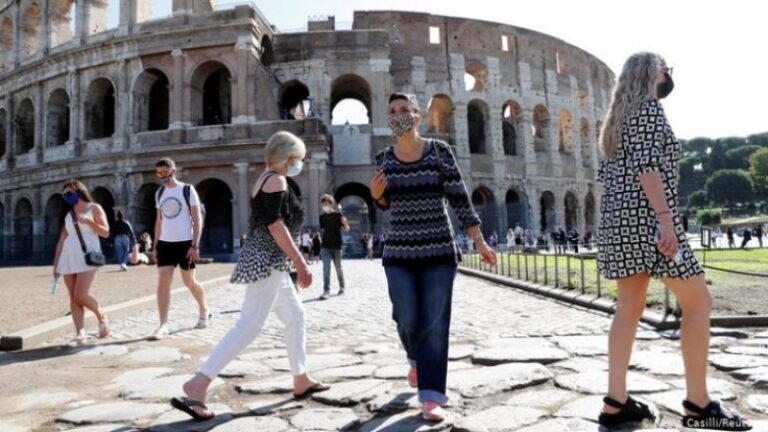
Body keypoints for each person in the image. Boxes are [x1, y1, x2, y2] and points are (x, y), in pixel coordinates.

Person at [596, 52, 751, 430]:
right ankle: (698, 404)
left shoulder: (615, 121)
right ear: (651, 71)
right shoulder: (648, 109)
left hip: (618, 223)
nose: (669, 74)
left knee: (628, 308)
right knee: (699, 301)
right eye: (666, 67)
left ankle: (615, 401)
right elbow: (649, 168)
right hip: (651, 220)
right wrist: (666, 220)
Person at [172, 131, 329, 421]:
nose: (300, 164)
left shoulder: (265, 177)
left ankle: (301, 378)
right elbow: (275, 224)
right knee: (249, 326)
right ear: (289, 156)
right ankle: (198, 384)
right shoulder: (277, 180)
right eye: (299, 159)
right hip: (268, 259)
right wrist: (300, 260)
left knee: (295, 317)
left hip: (271, 260)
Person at [371, 93, 496, 422]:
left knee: (435, 324)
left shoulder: (440, 152)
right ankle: (414, 359)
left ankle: (430, 395)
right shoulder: (383, 158)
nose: (399, 115)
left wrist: (479, 241)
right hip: (399, 251)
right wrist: (376, 196)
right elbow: (385, 204)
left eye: (405, 110)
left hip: (438, 250)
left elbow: (459, 197)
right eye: (392, 111)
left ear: (417, 116)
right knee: (406, 316)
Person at [150, 158, 211, 340]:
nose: (162, 176)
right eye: (158, 173)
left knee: (189, 282)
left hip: (185, 243)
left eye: (164, 172)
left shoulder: (187, 190)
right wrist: (155, 245)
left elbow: (197, 219)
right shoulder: (159, 193)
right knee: (163, 281)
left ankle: (203, 308)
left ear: (173, 171)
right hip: (165, 243)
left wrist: (195, 244)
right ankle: (163, 325)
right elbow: (159, 221)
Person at [53, 179, 111, 343]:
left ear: (79, 191)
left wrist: (89, 222)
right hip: (68, 257)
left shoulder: (94, 208)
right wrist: (56, 264)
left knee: (80, 295)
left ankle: (102, 315)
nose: (67, 197)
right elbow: (62, 240)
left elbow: (106, 232)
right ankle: (80, 332)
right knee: (73, 297)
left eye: (70, 193)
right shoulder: (68, 214)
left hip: (88, 256)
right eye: (65, 194)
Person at [318, 194, 350, 300]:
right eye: (323, 204)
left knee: (338, 268)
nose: (325, 206)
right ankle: (326, 290)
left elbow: (347, 228)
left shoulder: (338, 215)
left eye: (326, 204)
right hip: (325, 246)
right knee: (326, 268)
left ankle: (342, 286)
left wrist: (345, 224)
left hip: (336, 245)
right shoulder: (321, 217)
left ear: (331, 204)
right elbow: (323, 230)